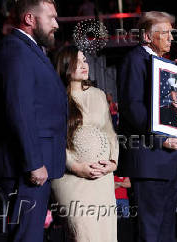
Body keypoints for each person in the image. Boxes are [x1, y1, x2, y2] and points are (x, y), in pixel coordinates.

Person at [0, 0, 67, 242]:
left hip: (33, 166)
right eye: (51, 17)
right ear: (30, 19)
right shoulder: (15, 51)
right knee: (25, 237)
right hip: (25, 168)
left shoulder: (29, 50)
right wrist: (33, 162)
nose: (56, 23)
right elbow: (19, 110)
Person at [117, 11, 177, 242]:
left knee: (166, 227)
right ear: (148, 37)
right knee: (149, 228)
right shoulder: (134, 59)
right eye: (165, 33)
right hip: (150, 157)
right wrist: (161, 138)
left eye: (172, 33)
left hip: (172, 156)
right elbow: (132, 108)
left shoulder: (168, 64)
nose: (171, 38)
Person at [52, 46, 119, 242]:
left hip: (102, 178)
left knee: (106, 235)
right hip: (70, 178)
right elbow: (53, 140)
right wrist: (74, 165)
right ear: (65, 65)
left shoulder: (98, 94)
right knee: (82, 234)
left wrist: (113, 162)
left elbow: (109, 132)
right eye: (78, 61)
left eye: (85, 60)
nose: (84, 64)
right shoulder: (55, 98)